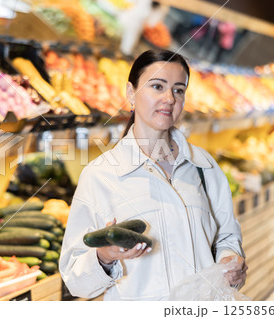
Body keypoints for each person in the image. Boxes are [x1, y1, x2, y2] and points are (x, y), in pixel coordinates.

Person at [59, 49, 248, 301]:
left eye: (178, 90)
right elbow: (75, 281)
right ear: (131, 93)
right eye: (157, 86)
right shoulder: (100, 175)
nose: (169, 98)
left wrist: (229, 262)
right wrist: (105, 256)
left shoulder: (204, 167)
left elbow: (226, 237)